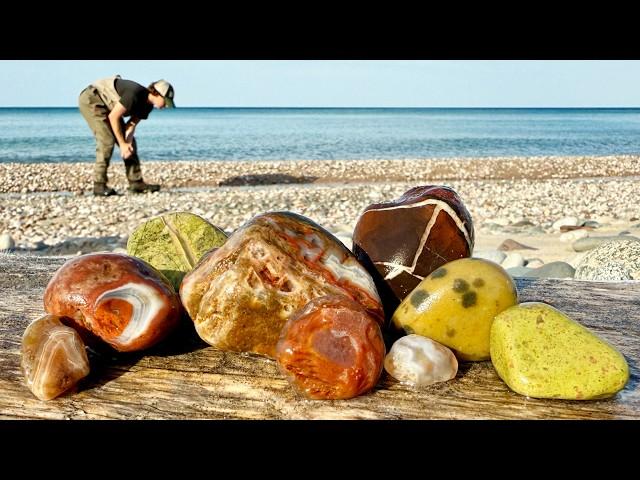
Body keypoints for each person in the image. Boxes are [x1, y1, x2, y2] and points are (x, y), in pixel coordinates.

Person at [78, 75, 175, 196]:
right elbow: (114, 117)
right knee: (107, 140)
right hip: (93, 99)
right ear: (157, 93)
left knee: (131, 143)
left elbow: (131, 125)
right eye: (165, 101)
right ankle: (99, 185)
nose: (166, 105)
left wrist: (127, 143)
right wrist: (122, 144)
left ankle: (136, 182)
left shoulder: (148, 106)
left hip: (110, 107)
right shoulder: (134, 94)